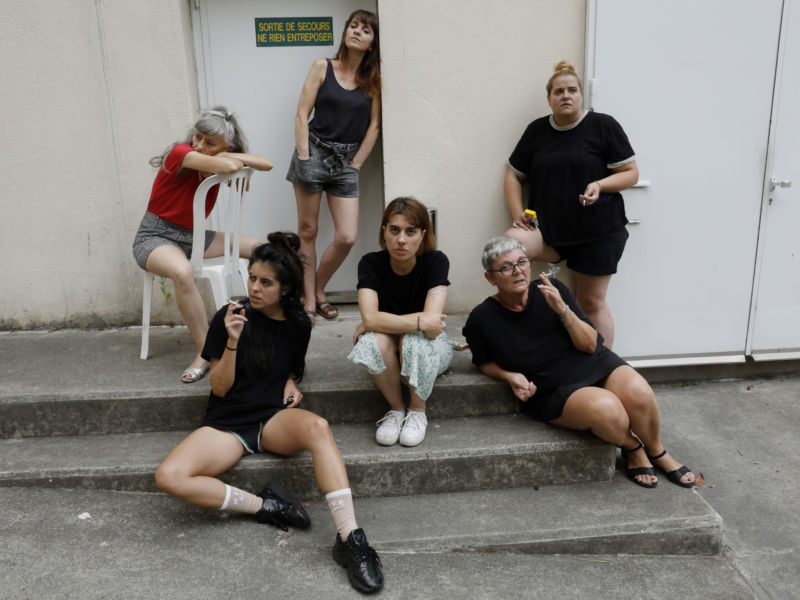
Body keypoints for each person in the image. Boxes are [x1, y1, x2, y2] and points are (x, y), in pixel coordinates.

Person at [155, 233, 384, 594]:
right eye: (252, 278)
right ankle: (265, 506)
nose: (255, 288)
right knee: (169, 476)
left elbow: (291, 364)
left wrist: (290, 381)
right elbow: (220, 387)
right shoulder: (230, 316)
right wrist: (232, 340)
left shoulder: (299, 324)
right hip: (228, 424)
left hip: (273, 418)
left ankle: (350, 539)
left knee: (318, 427)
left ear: (285, 288)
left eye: (266, 282)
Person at [463, 237, 696, 489]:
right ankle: (632, 447)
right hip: (554, 388)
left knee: (639, 391)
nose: (518, 271)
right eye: (506, 267)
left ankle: (657, 451)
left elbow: (590, 345)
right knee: (608, 409)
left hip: (590, 361)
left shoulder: (552, 289)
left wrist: (562, 310)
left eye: (522, 262)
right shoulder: (482, 319)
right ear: (491, 278)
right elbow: (482, 362)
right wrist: (510, 376)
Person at [133, 106, 274, 383]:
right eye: (197, 137)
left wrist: (225, 155)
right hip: (155, 236)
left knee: (268, 250)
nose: (199, 145)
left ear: (226, 146)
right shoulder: (181, 153)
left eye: (210, 143)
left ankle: (268, 331)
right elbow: (230, 167)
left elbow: (266, 163)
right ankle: (206, 352)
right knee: (182, 271)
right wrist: (220, 156)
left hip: (194, 236)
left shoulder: (215, 158)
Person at [504, 60, 639, 349]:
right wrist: (518, 213)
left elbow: (631, 173)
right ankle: (520, 324)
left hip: (597, 232)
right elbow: (513, 175)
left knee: (590, 302)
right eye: (558, 91)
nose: (565, 95)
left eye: (572, 90)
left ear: (581, 95)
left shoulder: (603, 125)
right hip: (550, 231)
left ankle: (602, 364)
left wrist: (599, 185)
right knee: (509, 248)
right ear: (549, 98)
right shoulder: (537, 130)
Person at [286, 9, 382, 324]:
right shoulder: (322, 67)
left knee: (347, 237)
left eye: (365, 30)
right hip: (313, 152)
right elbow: (302, 113)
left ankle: (317, 288)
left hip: (346, 163)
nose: (357, 31)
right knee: (308, 232)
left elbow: (374, 125)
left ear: (372, 43)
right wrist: (304, 155)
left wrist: (356, 162)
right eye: (353, 26)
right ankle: (310, 300)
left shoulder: (373, 79)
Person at [348, 197, 454, 447]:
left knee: (412, 340)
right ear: (384, 231)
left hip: (429, 348)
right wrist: (414, 322)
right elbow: (371, 318)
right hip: (389, 349)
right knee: (372, 341)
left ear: (422, 235)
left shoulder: (436, 262)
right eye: (394, 230)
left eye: (410, 231)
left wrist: (379, 323)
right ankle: (396, 410)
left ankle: (417, 411)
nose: (401, 240)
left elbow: (432, 326)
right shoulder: (371, 263)